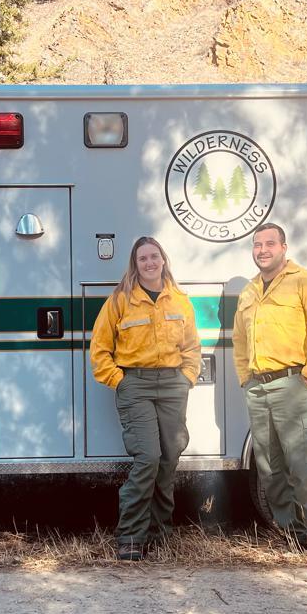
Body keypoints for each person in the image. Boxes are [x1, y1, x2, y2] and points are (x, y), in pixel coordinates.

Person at [232, 223, 307, 563]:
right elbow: (239, 340)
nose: (262, 250)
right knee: (270, 469)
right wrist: (245, 379)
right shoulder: (250, 291)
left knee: (306, 465)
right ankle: (293, 535)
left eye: (269, 243)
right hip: (259, 388)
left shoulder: (305, 282)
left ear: (283, 246)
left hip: (294, 385)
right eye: (257, 245)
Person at [90, 237, 201, 561]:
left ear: (163, 260)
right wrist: (120, 382)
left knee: (168, 461)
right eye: (143, 259)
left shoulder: (180, 301)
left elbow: (192, 347)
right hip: (135, 385)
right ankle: (131, 535)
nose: (150, 263)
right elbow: (99, 350)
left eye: (154, 257)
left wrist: (187, 378)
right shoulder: (121, 300)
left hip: (171, 385)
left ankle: (159, 533)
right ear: (135, 265)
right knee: (148, 458)